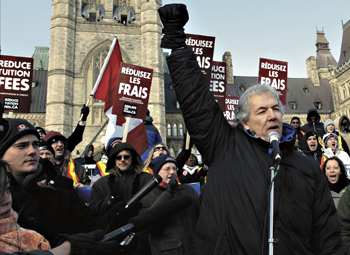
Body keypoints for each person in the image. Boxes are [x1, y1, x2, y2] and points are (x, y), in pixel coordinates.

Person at [158, 4, 342, 254]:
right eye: (262, 111)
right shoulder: (225, 147)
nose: (272, 115)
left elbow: (327, 237)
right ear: (245, 122)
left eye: (275, 108)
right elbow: (197, 102)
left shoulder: (307, 169)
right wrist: (178, 44)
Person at [0, 117, 142, 245]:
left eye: (35, 144)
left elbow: (92, 225)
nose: (32, 151)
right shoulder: (5, 200)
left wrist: (114, 215)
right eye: (22, 146)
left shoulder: (61, 197)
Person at [147, 154, 200, 255]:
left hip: (194, 249)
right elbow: (150, 226)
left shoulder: (188, 190)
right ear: (157, 173)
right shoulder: (149, 195)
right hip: (169, 251)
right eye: (167, 169)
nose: (172, 172)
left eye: (174, 168)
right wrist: (167, 194)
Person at [89, 142, 154, 213]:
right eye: (118, 157)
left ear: (132, 158)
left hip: (139, 221)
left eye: (126, 157)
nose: (122, 160)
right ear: (114, 160)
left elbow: (154, 204)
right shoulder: (101, 184)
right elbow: (93, 208)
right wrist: (108, 201)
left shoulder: (147, 179)